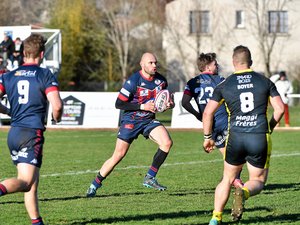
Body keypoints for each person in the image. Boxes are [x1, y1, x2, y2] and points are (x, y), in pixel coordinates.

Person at [202, 45, 284, 225]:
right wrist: (269, 127)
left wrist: (208, 137)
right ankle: (244, 192)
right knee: (257, 180)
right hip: (258, 136)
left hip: (236, 137)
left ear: (233, 62)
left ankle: (215, 218)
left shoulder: (225, 84)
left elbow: (207, 113)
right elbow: (280, 109)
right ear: (251, 62)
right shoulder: (264, 81)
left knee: (227, 179)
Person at [86, 52, 174, 197]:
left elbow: (167, 100)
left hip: (148, 121)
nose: (154, 65)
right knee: (118, 155)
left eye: (155, 63)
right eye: (150, 63)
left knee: (166, 143)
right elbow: (119, 103)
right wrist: (142, 107)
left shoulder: (162, 81)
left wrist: (169, 104)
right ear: (142, 64)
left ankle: (150, 177)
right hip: (131, 120)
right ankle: (95, 184)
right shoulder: (133, 81)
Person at [0, 34, 63, 225]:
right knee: (26, 182)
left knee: (32, 183)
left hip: (14, 133)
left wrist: (9, 111)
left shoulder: (8, 75)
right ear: (41, 54)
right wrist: (56, 118)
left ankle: (37, 222)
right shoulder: (44, 74)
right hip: (31, 134)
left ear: (23, 52)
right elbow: (57, 106)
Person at [182, 52, 242, 187]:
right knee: (235, 153)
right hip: (224, 120)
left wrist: (198, 115)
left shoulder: (192, 83)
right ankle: (234, 179)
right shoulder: (220, 80)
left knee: (228, 153)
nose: (217, 65)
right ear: (208, 67)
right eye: (215, 64)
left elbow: (185, 102)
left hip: (210, 125)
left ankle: (233, 178)